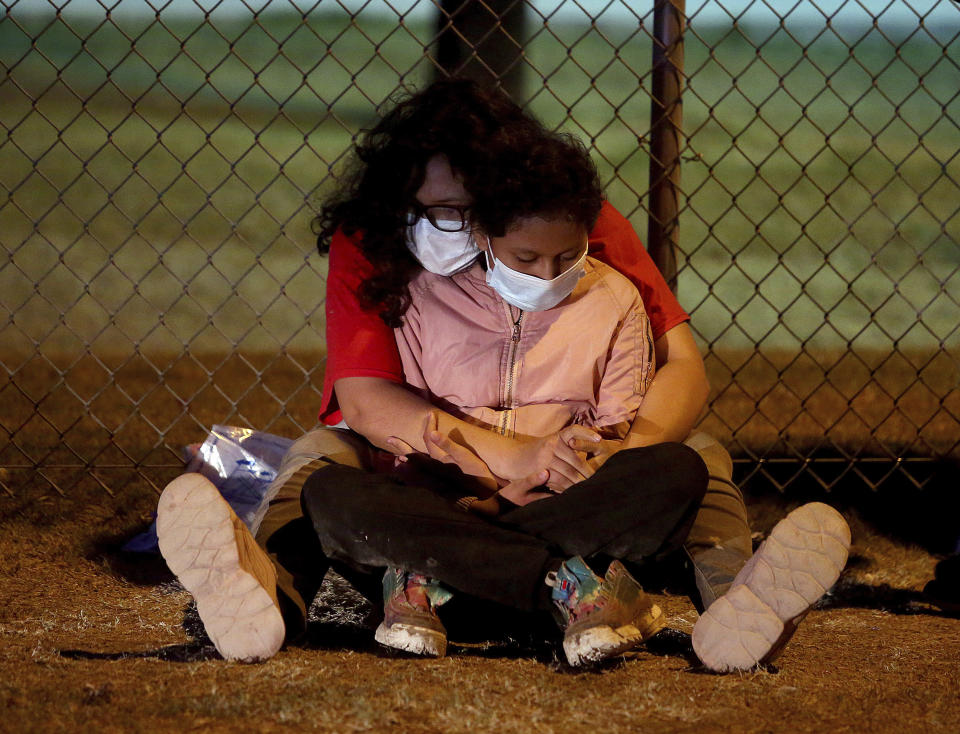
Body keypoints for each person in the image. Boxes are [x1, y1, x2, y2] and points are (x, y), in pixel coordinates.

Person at [155, 79, 850, 672]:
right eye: (441, 212)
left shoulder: (563, 225)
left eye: (474, 211)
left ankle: (733, 605)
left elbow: (684, 370)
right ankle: (270, 595)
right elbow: (366, 404)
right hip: (428, 475)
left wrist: (620, 454)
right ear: (403, 197)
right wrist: (507, 459)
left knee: (691, 459)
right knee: (320, 471)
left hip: (567, 476)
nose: (458, 230)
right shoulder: (373, 242)